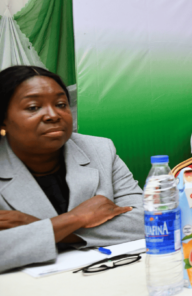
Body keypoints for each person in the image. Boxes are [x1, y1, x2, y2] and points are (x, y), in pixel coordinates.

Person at [0, 66, 143, 273]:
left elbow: (145, 220)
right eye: (33, 107)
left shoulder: (100, 150)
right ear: (3, 118)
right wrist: (75, 218)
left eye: (60, 104)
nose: (53, 115)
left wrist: (42, 227)